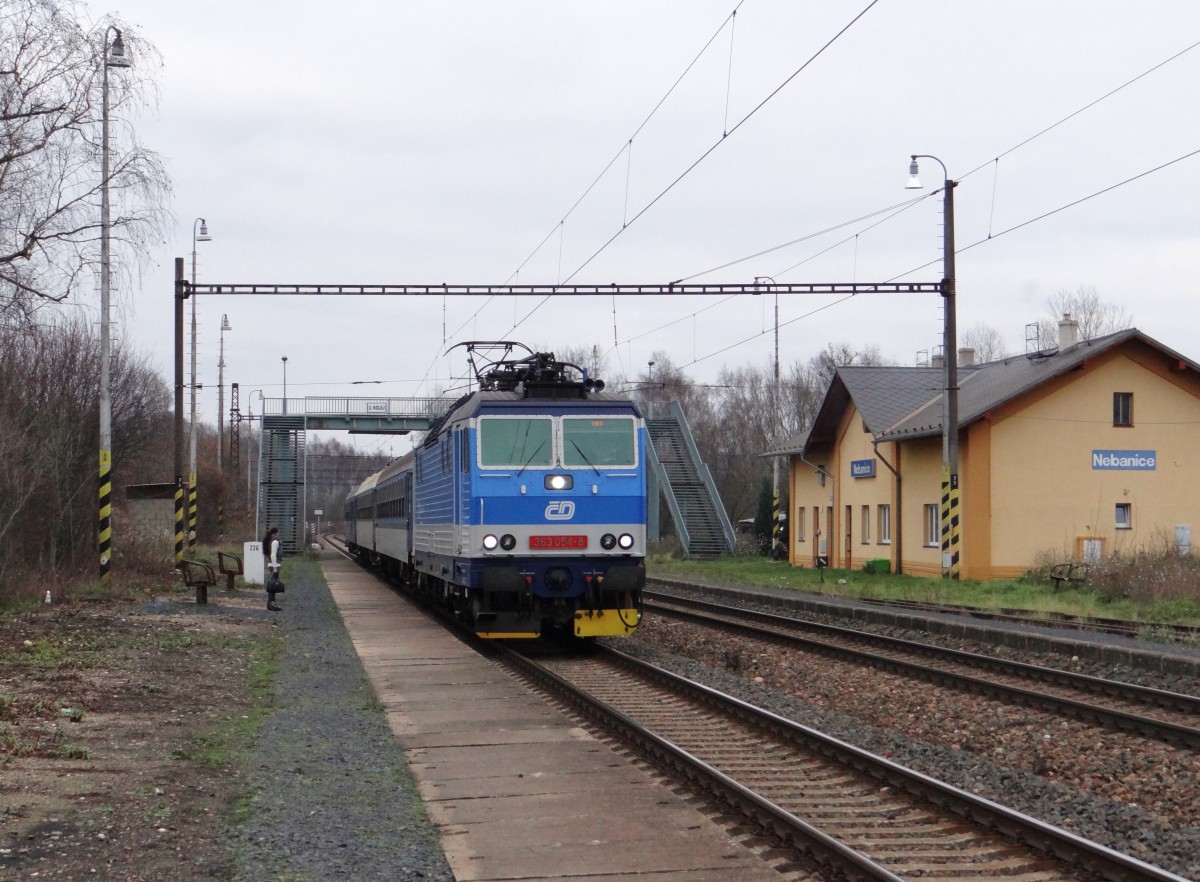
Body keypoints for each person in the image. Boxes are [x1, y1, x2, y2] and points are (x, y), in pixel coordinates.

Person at [263, 526, 282, 611]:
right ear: (274, 534)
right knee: (273, 585)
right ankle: (272, 603)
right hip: (274, 565)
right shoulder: (275, 542)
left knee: (272, 583)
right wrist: (275, 566)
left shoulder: (270, 541)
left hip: (271, 564)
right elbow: (273, 555)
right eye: (278, 533)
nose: (279, 534)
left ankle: (270, 603)